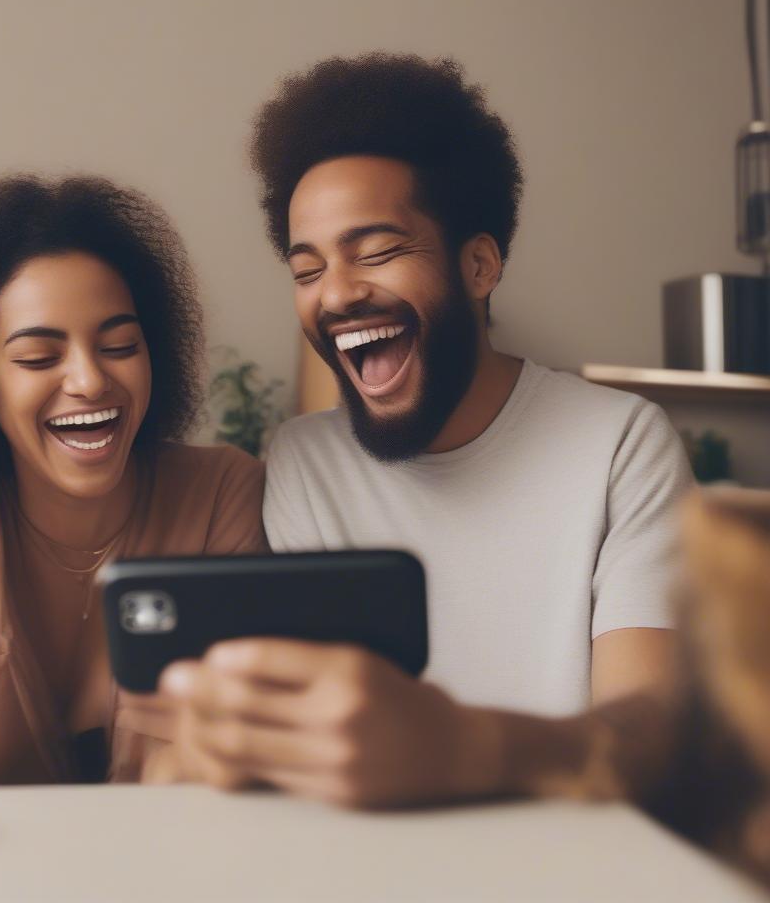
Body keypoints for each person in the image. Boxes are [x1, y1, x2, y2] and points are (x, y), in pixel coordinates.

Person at [150, 53, 695, 807]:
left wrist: (463, 746)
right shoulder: (306, 464)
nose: (336, 293)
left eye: (376, 252)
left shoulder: (620, 445)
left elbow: (653, 739)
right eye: (307, 271)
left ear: (479, 265)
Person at [0, 175, 265, 786]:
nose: (89, 381)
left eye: (120, 345)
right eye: (39, 358)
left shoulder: (221, 496)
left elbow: (224, 778)